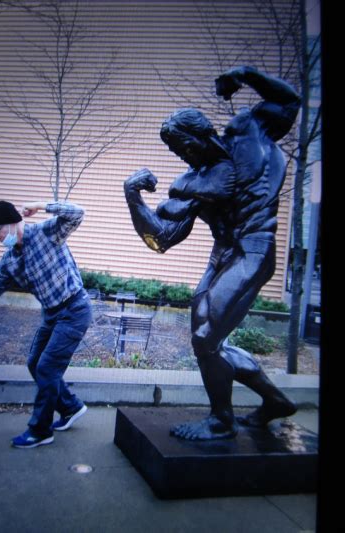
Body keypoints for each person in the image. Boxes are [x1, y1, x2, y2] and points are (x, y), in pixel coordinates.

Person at [124, 66, 301, 440]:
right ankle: (276, 401)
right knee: (209, 342)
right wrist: (133, 197)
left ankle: (222, 421)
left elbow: (289, 101)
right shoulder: (190, 184)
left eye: (183, 145)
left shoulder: (249, 133)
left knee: (206, 339)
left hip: (254, 250)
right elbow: (161, 239)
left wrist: (246, 75)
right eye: (176, 150)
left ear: (201, 135)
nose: (182, 154)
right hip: (221, 256)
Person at [0, 200, 92, 448]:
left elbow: (78, 213)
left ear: (13, 222)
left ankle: (40, 431)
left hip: (74, 309)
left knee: (47, 368)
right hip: (51, 314)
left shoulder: (46, 231)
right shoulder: (10, 260)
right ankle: (70, 407)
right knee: (34, 363)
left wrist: (40, 205)